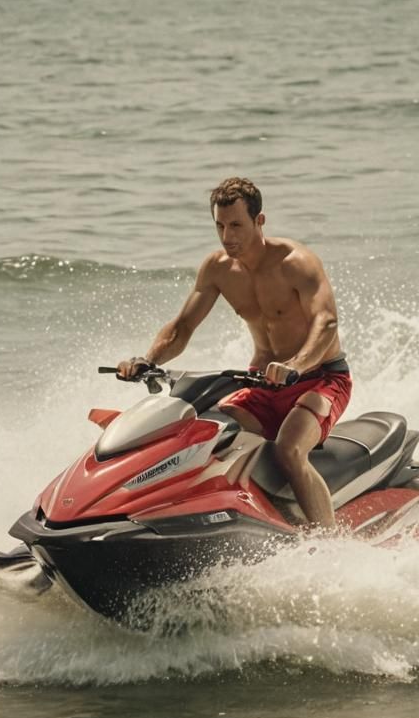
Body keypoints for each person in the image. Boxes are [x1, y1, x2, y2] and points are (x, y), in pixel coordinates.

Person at [117, 177, 351, 530]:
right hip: (263, 385)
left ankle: (329, 541)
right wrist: (148, 361)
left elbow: (327, 322)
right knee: (205, 434)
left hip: (321, 380)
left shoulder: (296, 262)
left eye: (237, 225)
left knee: (288, 450)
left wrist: (295, 366)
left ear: (260, 221)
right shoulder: (218, 269)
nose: (227, 237)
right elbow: (182, 327)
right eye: (220, 226)